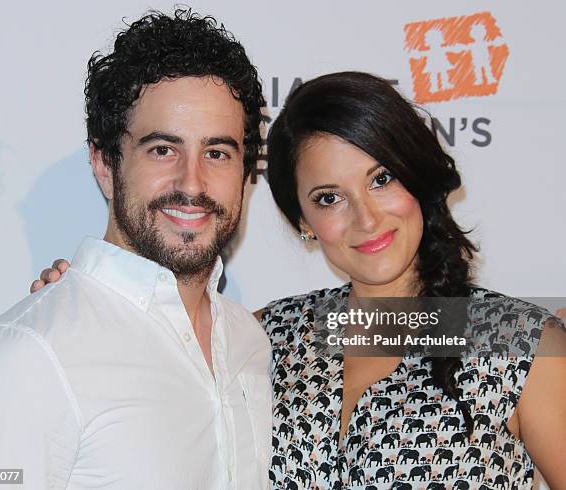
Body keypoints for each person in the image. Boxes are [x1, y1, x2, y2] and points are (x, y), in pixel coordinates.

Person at [33, 73, 566, 489]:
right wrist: (86, 300)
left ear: (417, 176)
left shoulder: (518, 345)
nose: (366, 218)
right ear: (304, 222)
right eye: (329, 198)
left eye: (382, 179)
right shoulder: (268, 336)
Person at [0, 10, 271, 490]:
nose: (193, 182)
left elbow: (418, 328)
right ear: (104, 163)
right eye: (163, 150)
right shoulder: (26, 357)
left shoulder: (253, 340)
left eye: (217, 153)